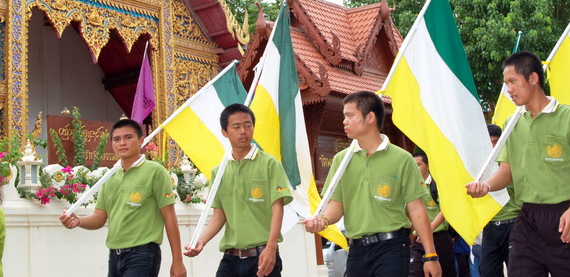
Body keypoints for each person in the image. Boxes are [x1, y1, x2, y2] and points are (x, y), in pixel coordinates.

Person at [466, 51, 570, 276]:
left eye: (513, 81)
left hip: (566, 215)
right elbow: (506, 172)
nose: (509, 89)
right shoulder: (512, 123)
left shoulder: (569, 116)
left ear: (533, 78)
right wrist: (486, 186)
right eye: (506, 83)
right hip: (528, 219)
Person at [303, 91, 442, 277]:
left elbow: (416, 208)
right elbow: (337, 204)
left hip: (392, 248)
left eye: (350, 116)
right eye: (344, 116)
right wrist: (324, 220)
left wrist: (430, 255)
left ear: (370, 117)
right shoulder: (341, 160)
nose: (344, 121)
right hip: (356, 251)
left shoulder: (402, 159)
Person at [60, 118, 186, 277]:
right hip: (115, 255)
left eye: (128, 137)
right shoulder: (110, 176)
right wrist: (78, 220)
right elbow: (99, 217)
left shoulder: (155, 171)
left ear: (141, 140)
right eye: (116, 139)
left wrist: (178, 261)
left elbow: (169, 216)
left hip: (143, 254)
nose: (122, 143)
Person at [184, 103, 292, 277]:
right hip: (230, 259)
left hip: (262, 256)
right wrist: (201, 241)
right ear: (224, 132)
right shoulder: (218, 172)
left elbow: (277, 208)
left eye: (248, 125)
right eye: (236, 127)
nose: (243, 131)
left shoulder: (269, 164)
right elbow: (219, 216)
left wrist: (271, 247)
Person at [479, 123, 520, 277]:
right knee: (487, 271)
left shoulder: (511, 165)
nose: (492, 147)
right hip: (490, 228)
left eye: (496, 142)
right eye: (489, 143)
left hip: (513, 225)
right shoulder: (479, 168)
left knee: (517, 271)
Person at [409, 150, 456, 276]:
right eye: (413, 165)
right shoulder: (410, 186)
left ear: (428, 166)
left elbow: (446, 209)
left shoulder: (437, 185)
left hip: (439, 237)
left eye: (418, 165)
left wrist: (429, 228)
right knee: (415, 272)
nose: (415, 168)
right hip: (419, 240)